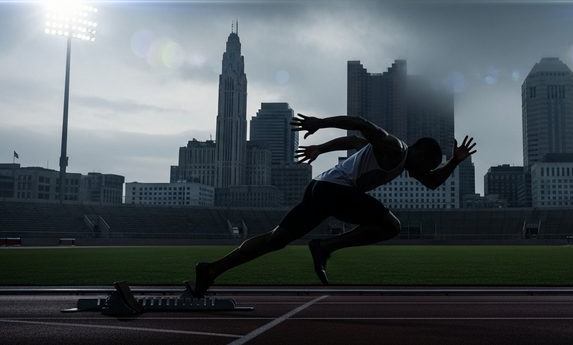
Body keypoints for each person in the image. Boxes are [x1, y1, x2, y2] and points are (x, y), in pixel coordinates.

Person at [189, 114, 476, 296]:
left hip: (321, 189)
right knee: (391, 226)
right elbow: (362, 125)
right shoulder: (395, 148)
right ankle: (325, 247)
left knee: (277, 239)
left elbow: (430, 181)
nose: (423, 172)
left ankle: (212, 269)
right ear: (421, 153)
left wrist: (454, 162)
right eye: (427, 165)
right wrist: (319, 124)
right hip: (334, 191)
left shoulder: (401, 161)